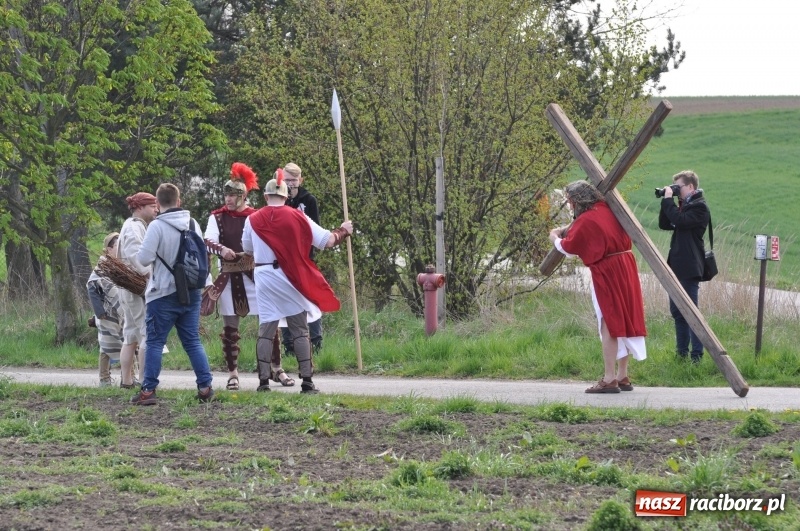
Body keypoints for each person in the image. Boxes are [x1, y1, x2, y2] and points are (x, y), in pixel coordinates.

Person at [242, 169, 353, 394]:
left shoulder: (251, 219)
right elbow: (327, 241)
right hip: (288, 275)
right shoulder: (298, 216)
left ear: (265, 196)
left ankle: (263, 382)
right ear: (285, 196)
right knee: (300, 328)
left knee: (266, 328)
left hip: (263, 276)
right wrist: (344, 230)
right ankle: (307, 382)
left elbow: (247, 249)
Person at [549, 180, 647, 394]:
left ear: (575, 201)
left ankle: (609, 378)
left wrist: (555, 237)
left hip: (608, 272)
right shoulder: (610, 209)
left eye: (569, 201)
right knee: (623, 318)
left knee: (609, 321)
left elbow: (569, 246)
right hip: (626, 267)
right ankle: (622, 375)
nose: (569, 205)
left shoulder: (587, 219)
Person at [204, 162, 294, 391]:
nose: (228, 199)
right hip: (228, 277)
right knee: (230, 329)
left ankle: (276, 368)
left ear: (243, 196)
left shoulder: (256, 216)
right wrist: (222, 250)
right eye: (226, 195)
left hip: (254, 275)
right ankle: (233, 373)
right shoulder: (217, 217)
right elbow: (208, 241)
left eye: (233, 195)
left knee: (270, 325)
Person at [130, 183, 215, 405]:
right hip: (192, 292)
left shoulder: (156, 226)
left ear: (157, 204)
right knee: (192, 341)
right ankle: (205, 387)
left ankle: (148, 391)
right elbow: (203, 257)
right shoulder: (193, 223)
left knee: (155, 341)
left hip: (163, 293)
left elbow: (143, 259)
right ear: (179, 201)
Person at [658, 170, 710, 363]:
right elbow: (665, 224)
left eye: (678, 187)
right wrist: (666, 202)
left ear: (690, 186)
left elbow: (680, 221)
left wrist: (669, 202)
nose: (676, 191)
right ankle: (681, 355)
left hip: (689, 266)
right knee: (678, 312)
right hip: (677, 266)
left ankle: (697, 357)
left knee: (692, 313)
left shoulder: (699, 207)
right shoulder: (683, 206)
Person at [280, 162, 323, 357]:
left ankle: (315, 342)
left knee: (310, 300)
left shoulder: (308, 200)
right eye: (286, 180)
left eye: (293, 180)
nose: (290, 184)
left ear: (300, 180)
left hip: (304, 258)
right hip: (283, 260)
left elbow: (315, 230)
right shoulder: (278, 199)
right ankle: (288, 344)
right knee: (285, 301)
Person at [117, 192, 158, 389]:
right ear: (140, 207)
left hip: (128, 289)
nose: (156, 210)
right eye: (152, 206)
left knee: (131, 335)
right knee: (145, 334)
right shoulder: (134, 227)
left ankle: (126, 381)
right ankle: (144, 380)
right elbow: (136, 257)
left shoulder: (133, 225)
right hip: (135, 289)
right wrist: (150, 275)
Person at [86, 232, 126, 386]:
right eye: (117, 246)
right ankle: (104, 379)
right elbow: (92, 286)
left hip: (122, 313)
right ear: (109, 249)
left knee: (129, 345)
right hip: (106, 315)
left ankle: (128, 377)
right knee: (106, 346)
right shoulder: (103, 266)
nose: (120, 248)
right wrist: (99, 312)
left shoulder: (122, 265)